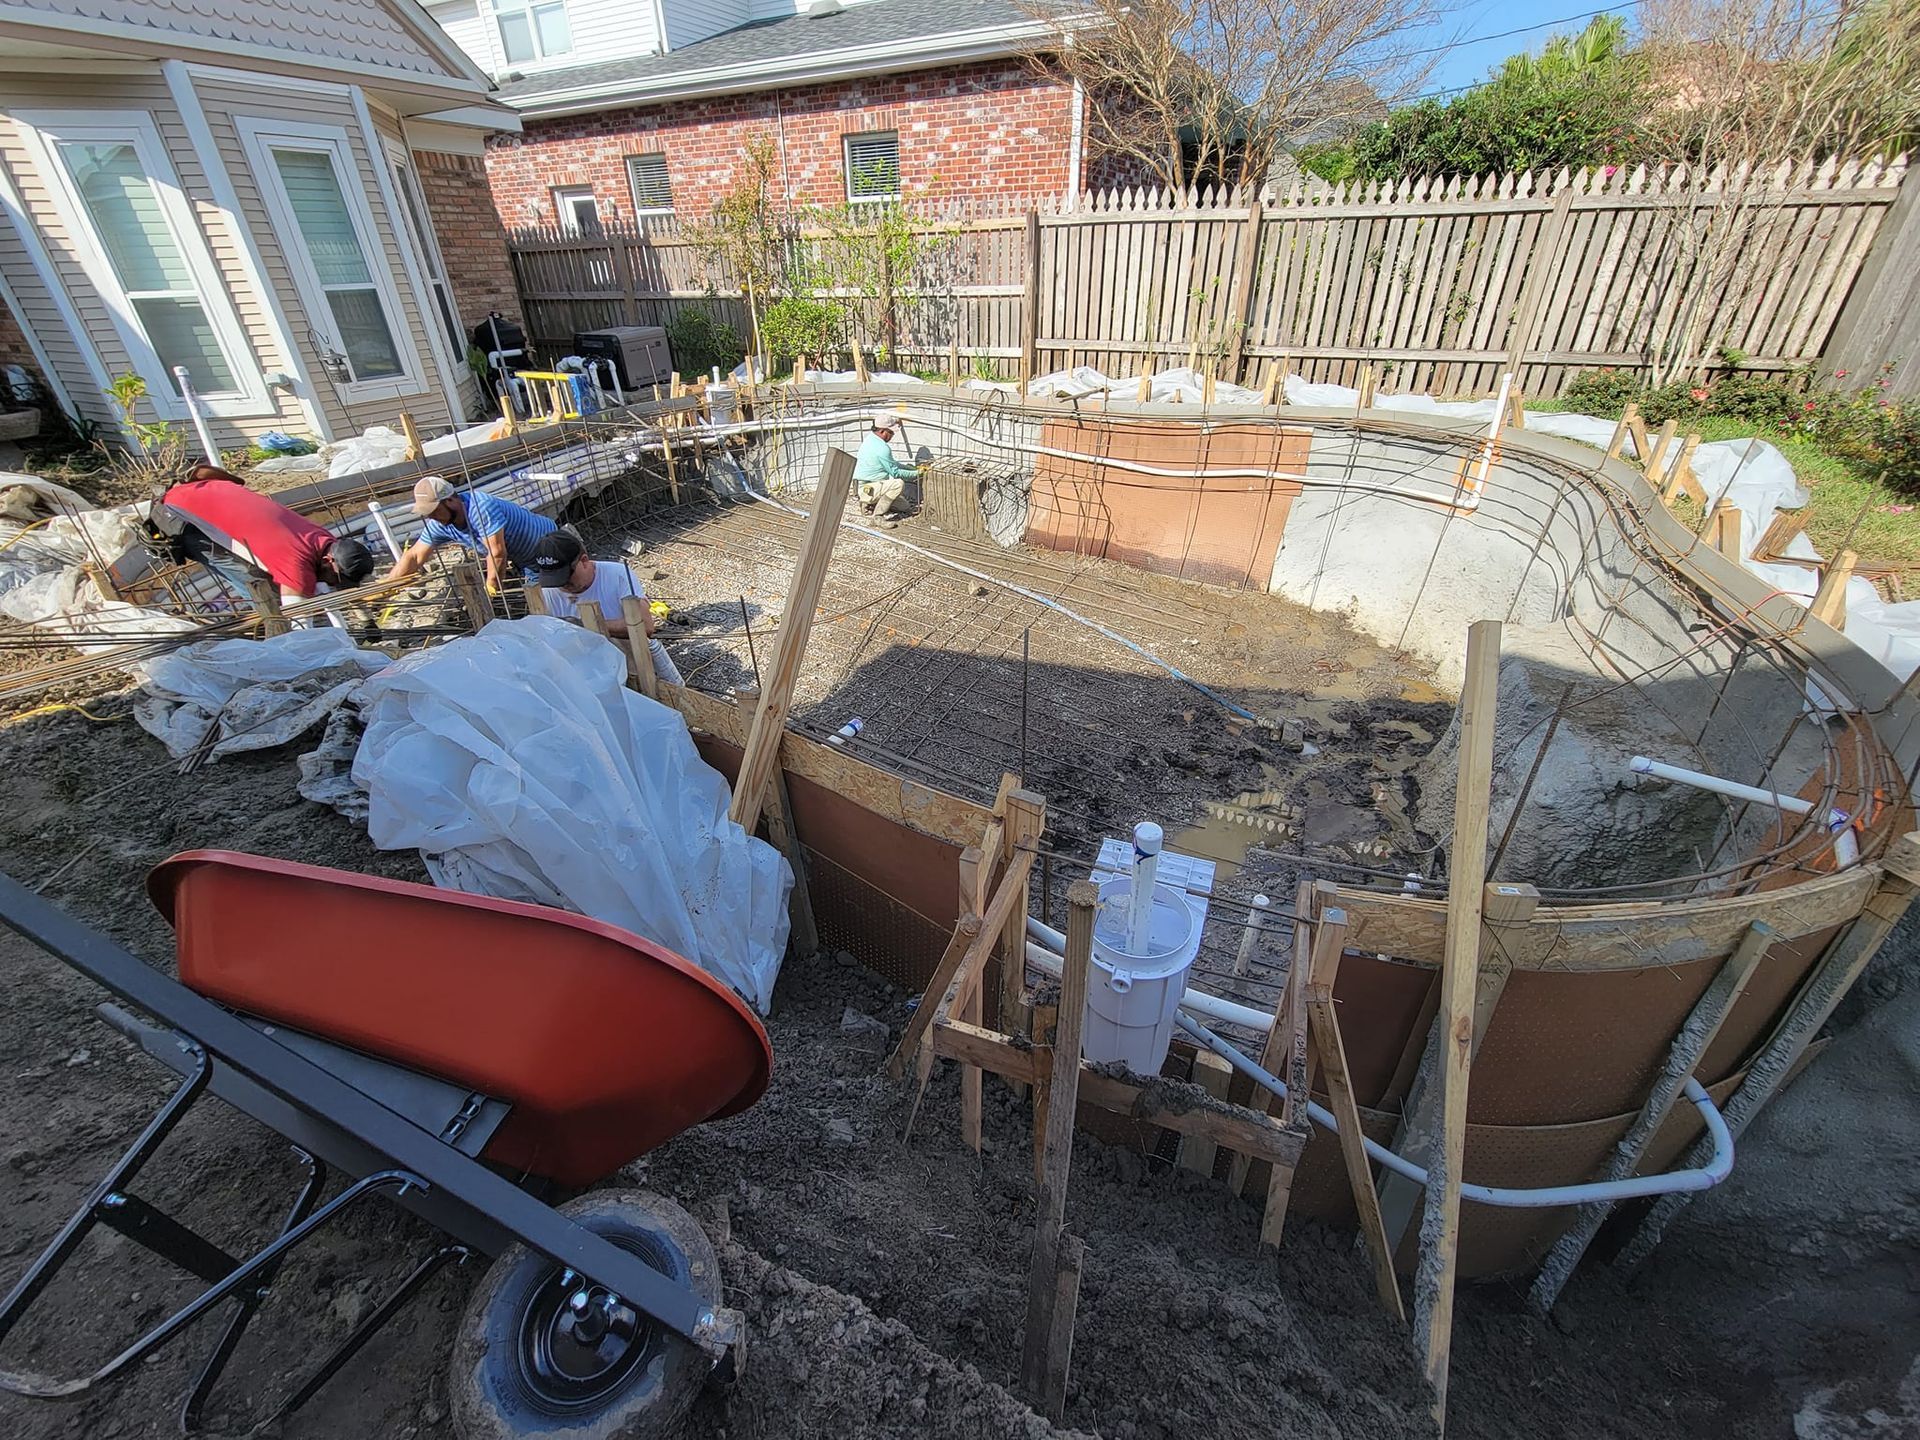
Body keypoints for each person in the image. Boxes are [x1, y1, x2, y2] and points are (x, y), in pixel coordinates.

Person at [157, 464, 373, 603]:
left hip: (206, 492)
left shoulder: (324, 540)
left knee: (276, 577)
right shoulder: (295, 559)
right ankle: (271, 630)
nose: (335, 584)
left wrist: (366, 622)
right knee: (257, 584)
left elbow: (322, 582)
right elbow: (297, 615)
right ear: (328, 560)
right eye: (336, 579)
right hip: (181, 514)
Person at [525, 531, 684, 686]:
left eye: (567, 576)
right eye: (554, 578)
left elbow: (646, 626)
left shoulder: (617, 576)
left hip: (629, 666)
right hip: (583, 673)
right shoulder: (545, 594)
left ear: (584, 561)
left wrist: (584, 625)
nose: (562, 584)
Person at [385, 475, 555, 594]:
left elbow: (496, 553)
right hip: (522, 557)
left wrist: (491, 587)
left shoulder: (480, 508)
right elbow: (414, 556)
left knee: (549, 598)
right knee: (540, 595)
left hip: (546, 543)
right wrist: (388, 587)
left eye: (434, 511)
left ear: (451, 501)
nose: (431, 517)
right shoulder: (440, 523)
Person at [852, 411, 922, 521]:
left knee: (905, 507)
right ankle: (878, 516)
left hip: (869, 486)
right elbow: (896, 473)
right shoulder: (882, 448)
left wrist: (911, 468)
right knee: (898, 484)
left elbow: (893, 464)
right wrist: (918, 473)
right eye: (891, 433)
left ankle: (869, 504)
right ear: (882, 431)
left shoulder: (870, 439)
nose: (892, 436)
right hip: (868, 488)